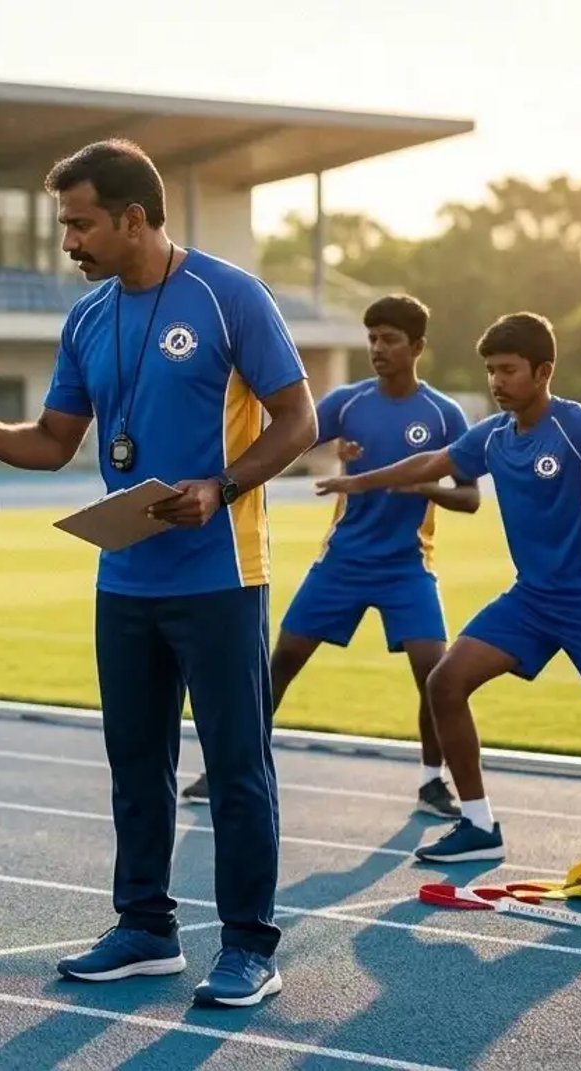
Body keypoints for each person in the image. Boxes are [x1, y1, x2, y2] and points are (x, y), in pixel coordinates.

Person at [0, 139, 315, 1008]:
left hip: (219, 574)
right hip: (127, 577)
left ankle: (250, 943)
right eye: (66, 223)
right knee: (135, 762)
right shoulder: (89, 318)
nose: (68, 241)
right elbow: (57, 441)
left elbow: (298, 418)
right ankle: (145, 928)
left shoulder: (228, 295)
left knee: (237, 765)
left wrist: (226, 485)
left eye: (80, 223)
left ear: (134, 217)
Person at [314, 311, 581, 863]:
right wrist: (359, 480)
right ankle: (478, 825)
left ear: (544, 371)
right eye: (491, 371)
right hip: (532, 601)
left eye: (508, 370)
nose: (497, 382)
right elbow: (432, 462)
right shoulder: (494, 435)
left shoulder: (579, 425)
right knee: (446, 682)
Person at [180, 294, 477, 818]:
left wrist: (421, 489)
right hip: (342, 561)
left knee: (434, 675)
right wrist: (332, 452)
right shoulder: (349, 403)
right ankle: (227, 768)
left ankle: (433, 783)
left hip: (407, 567)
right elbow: (296, 435)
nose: (378, 349)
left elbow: (470, 497)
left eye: (389, 340)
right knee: (281, 662)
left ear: (417, 347)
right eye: (372, 338)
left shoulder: (443, 413)